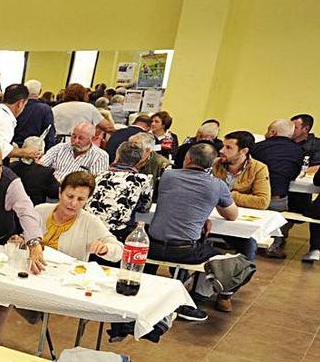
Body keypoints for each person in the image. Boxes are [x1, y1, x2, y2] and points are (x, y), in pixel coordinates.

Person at [149, 145, 239, 319]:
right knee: (224, 259)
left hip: (154, 246)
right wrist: (207, 210)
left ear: (187, 159)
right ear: (212, 164)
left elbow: (178, 201)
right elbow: (232, 215)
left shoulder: (168, 176)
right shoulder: (217, 185)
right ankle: (192, 300)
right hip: (185, 251)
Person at [34, 172, 124, 262]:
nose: (74, 203)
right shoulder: (39, 210)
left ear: (87, 200)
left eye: (81, 199)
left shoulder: (90, 221)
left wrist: (105, 249)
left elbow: (119, 251)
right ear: (60, 193)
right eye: (70, 196)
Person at [210, 130, 270, 261]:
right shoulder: (214, 164)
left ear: (244, 151)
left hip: (238, 220)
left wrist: (227, 196)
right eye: (223, 145)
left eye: (229, 147)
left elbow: (262, 201)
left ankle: (240, 275)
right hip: (211, 217)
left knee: (249, 244)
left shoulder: (259, 168)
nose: (222, 150)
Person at [254, 118, 307, 259]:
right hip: (278, 198)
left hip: (256, 198)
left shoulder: (258, 148)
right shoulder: (298, 151)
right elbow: (294, 174)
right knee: (282, 215)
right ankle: (275, 244)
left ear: (272, 132)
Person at [87, 139, 154, 241]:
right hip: (115, 232)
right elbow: (143, 209)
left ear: (117, 156)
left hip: (89, 226)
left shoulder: (100, 175)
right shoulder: (142, 179)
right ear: (140, 161)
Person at [41, 122, 110, 180]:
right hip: (51, 188)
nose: (76, 141)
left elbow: (96, 181)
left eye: (81, 138)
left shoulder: (100, 156)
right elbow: (40, 166)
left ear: (92, 139)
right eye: (73, 136)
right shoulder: (59, 148)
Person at [10, 137, 59, 206]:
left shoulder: (10, 168)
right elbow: (56, 193)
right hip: (34, 211)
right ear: (40, 153)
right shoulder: (46, 173)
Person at [12, 80, 57, 149]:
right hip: (33, 151)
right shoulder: (45, 109)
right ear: (40, 92)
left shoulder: (16, 105)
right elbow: (49, 134)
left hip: (12, 148)